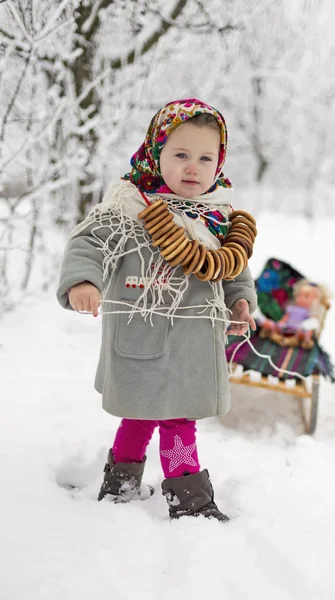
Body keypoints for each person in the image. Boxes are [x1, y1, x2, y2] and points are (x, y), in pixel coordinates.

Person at [57, 98, 257, 522]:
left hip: (194, 343)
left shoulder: (219, 217)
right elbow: (89, 243)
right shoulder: (131, 208)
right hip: (142, 333)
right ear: (155, 152)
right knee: (148, 413)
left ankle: (121, 484)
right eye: (180, 154)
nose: (193, 167)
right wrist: (82, 281)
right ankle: (190, 501)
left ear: (218, 163)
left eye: (205, 158)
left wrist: (240, 301)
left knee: (169, 414)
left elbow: (233, 270)